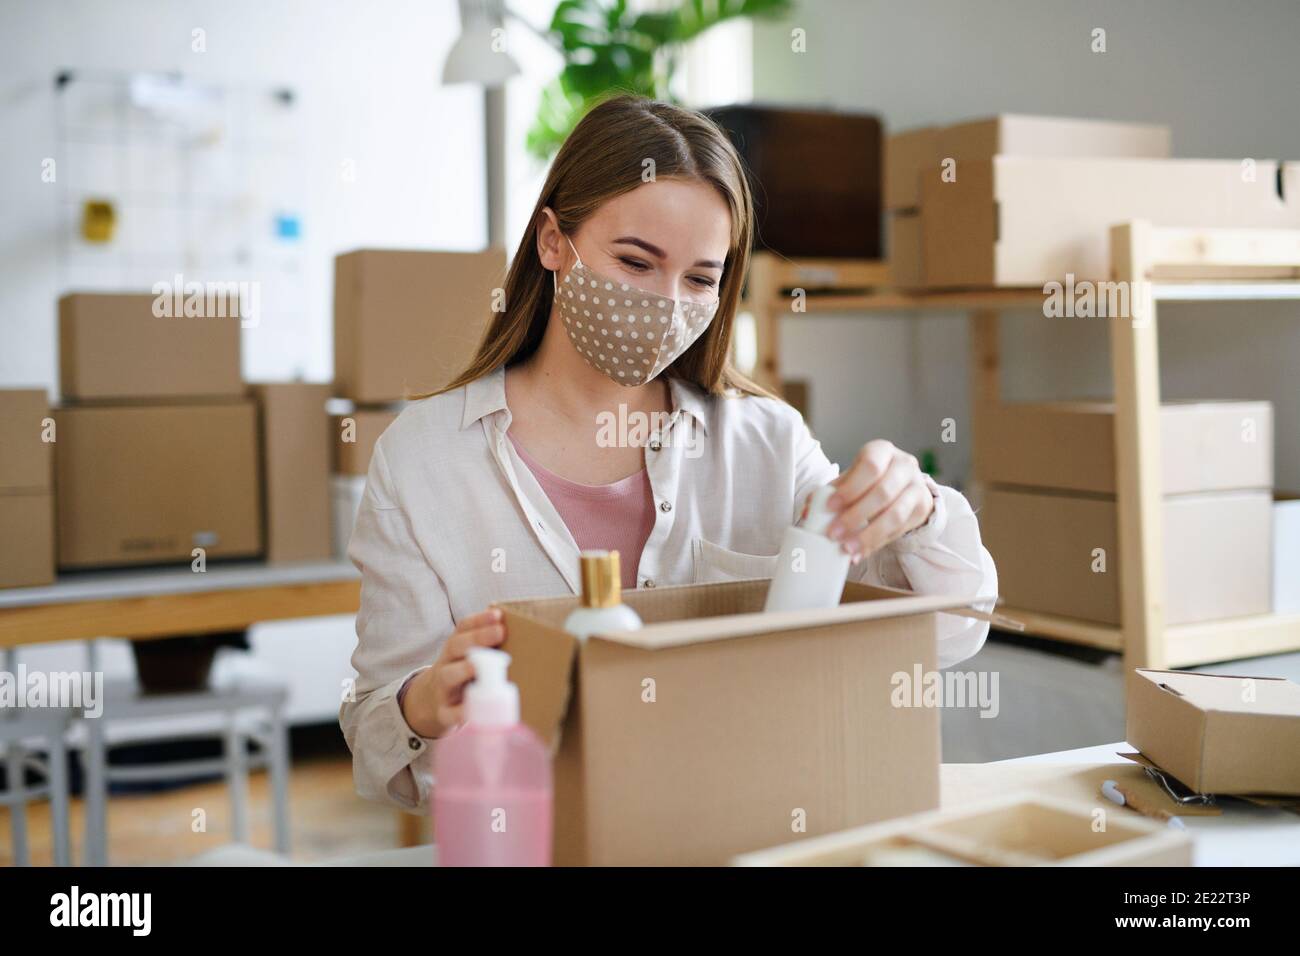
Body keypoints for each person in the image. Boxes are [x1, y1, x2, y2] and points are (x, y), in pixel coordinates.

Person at [340, 95, 997, 811]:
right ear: (553, 241)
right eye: (635, 261)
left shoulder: (767, 443)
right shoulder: (423, 461)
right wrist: (425, 701)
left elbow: (951, 633)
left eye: (700, 279)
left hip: (744, 830)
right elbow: (378, 734)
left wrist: (918, 510)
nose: (665, 302)